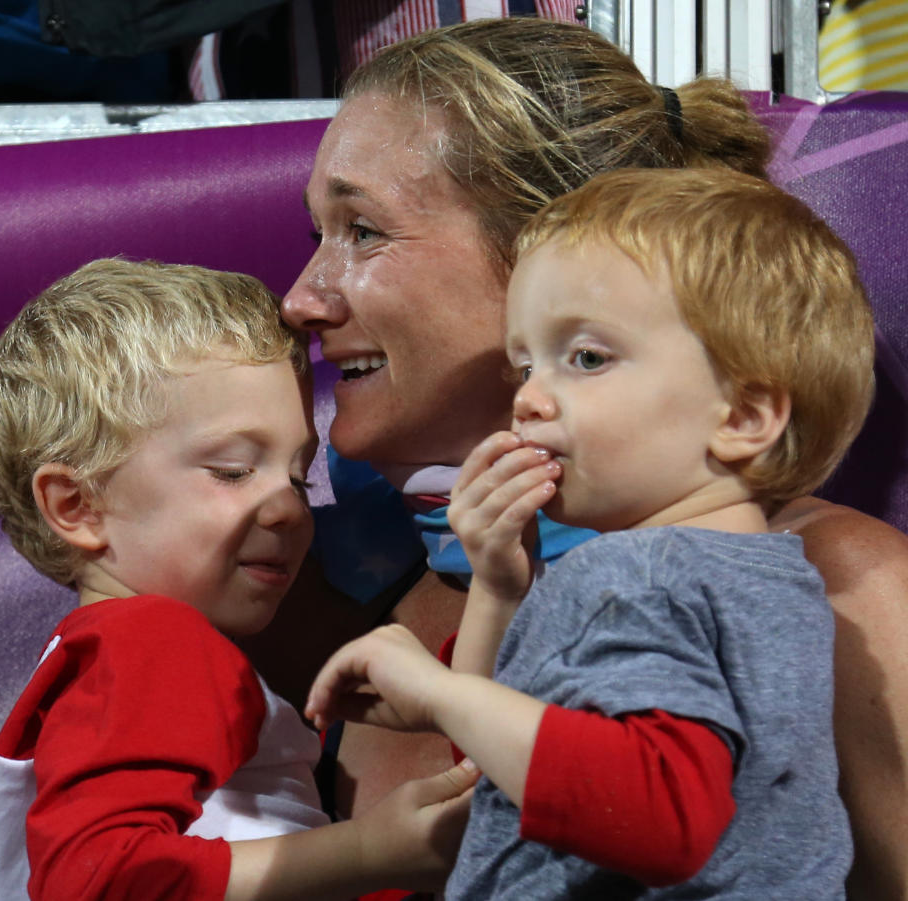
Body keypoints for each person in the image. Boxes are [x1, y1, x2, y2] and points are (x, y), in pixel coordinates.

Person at [258, 16, 908, 900]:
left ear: (547, 242)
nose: (300, 299)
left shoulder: (842, 584)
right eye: (314, 237)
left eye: (362, 231)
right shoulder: (345, 596)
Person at [0, 258, 475, 901]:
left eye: (298, 475)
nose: (290, 506)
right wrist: (374, 853)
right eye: (233, 470)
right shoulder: (159, 641)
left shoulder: (93, 661)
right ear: (78, 506)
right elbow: (96, 884)